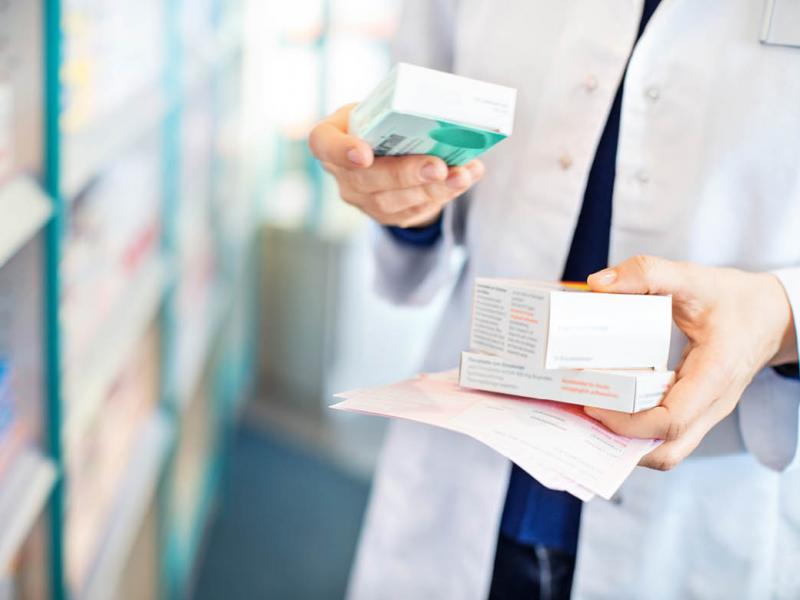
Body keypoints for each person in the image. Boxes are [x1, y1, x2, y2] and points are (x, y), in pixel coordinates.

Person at [309, 1, 800, 598]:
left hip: (709, 500)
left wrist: (781, 315)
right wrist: (398, 197)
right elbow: (423, 151)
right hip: (469, 469)